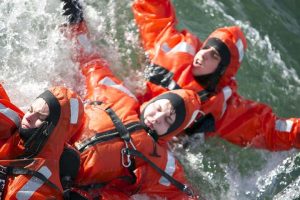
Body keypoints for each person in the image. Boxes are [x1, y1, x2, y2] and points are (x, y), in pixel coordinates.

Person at [59, 0, 202, 199]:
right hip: (54, 148)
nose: (159, 117)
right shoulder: (117, 93)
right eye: (161, 108)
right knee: (53, 103)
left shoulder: (163, 164)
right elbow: (90, 61)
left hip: (75, 191)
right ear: (154, 101)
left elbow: (183, 195)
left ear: (171, 132)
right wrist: (76, 24)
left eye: (168, 121)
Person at [132, 0, 300, 151]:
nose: (203, 55)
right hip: (135, 112)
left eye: (214, 56)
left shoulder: (223, 109)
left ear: (222, 70)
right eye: (206, 48)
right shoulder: (175, 48)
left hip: (163, 145)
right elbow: (154, 12)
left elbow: (271, 128)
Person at [0, 86, 84, 199]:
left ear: (53, 130)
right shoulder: (14, 125)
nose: (28, 117)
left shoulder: (40, 189)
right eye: (30, 109)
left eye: (40, 117)